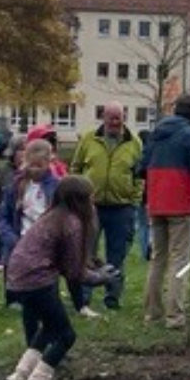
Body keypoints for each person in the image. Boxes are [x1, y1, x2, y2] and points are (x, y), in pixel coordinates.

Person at [3, 176, 118, 380]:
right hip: (37, 281)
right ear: (80, 201)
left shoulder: (53, 216)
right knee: (66, 336)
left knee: (49, 327)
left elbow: (68, 259)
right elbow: (74, 272)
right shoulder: (72, 224)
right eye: (90, 198)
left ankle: (19, 377)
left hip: (17, 278)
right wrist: (102, 278)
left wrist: (93, 265)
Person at [70, 103, 143, 313]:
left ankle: (112, 297)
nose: (114, 122)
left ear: (124, 117)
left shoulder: (134, 143)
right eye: (111, 117)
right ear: (103, 117)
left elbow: (139, 175)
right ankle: (84, 298)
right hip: (90, 206)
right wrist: (78, 195)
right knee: (87, 252)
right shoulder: (88, 139)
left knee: (117, 255)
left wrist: (134, 199)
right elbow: (76, 167)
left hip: (122, 207)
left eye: (118, 117)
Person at [140, 94, 190, 329]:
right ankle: (174, 316)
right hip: (180, 202)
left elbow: (141, 166)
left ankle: (152, 314)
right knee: (179, 259)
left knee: (157, 259)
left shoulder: (156, 132)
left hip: (156, 200)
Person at [0, 139, 60, 335]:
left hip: (47, 245)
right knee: (28, 296)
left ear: (48, 163)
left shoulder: (57, 186)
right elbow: (3, 216)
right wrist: (11, 239)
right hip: (22, 242)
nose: (35, 170)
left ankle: (50, 334)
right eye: (32, 165)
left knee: (48, 291)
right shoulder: (16, 186)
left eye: (40, 165)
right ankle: (32, 339)